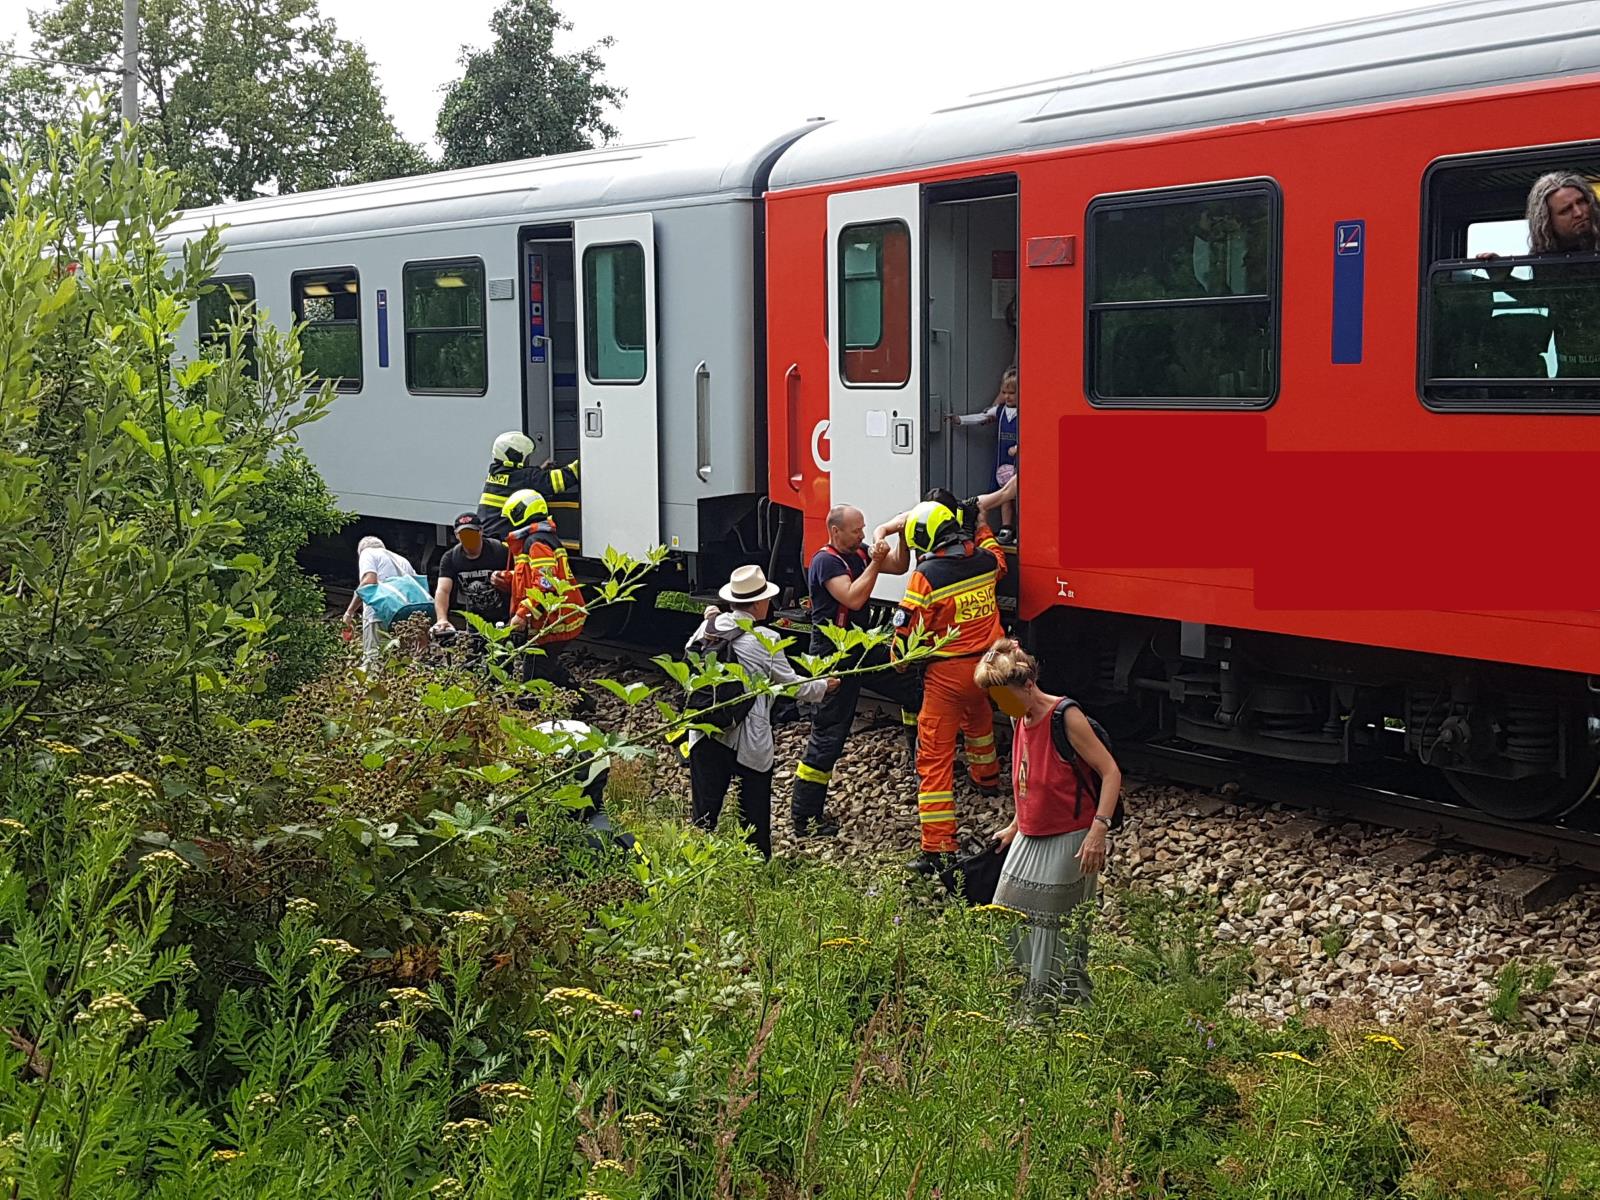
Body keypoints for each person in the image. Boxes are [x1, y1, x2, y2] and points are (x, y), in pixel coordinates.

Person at [976, 639, 1120, 1004]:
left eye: (1002, 695)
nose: (998, 705)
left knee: (1051, 927)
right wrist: (1014, 824)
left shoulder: (1064, 716)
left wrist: (1097, 832)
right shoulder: (1018, 714)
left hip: (1069, 838)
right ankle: (1020, 999)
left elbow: (1110, 772)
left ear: (1027, 684)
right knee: (1005, 915)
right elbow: (1027, 777)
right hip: (1030, 833)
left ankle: (1051, 1009)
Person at [686, 565, 837, 859]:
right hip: (745, 737)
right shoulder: (765, 638)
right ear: (757, 604)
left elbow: (689, 655)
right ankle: (756, 862)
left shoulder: (710, 627)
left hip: (705, 728)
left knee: (704, 813)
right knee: (753, 809)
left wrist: (711, 620)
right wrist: (824, 686)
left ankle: (697, 862)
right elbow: (791, 685)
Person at [891, 498, 1008, 871]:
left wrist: (898, 660)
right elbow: (998, 558)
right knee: (979, 721)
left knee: (934, 759)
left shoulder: (927, 576)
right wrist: (983, 526)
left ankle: (938, 847)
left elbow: (907, 632)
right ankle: (986, 778)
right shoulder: (986, 562)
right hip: (988, 669)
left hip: (948, 675)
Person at [791, 504, 920, 838]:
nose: (863, 535)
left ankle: (919, 756)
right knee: (830, 732)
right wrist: (875, 561)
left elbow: (900, 565)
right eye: (856, 530)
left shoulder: (859, 551)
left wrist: (901, 538)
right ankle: (805, 816)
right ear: (836, 532)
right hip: (834, 654)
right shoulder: (826, 561)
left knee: (911, 683)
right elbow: (853, 599)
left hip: (860, 646)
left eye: (864, 529)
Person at [1476, 173, 1600, 378]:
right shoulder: (1546, 257)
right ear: (1548, 220)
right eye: (1566, 210)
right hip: (1573, 373)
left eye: (1582, 202)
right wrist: (1503, 280)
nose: (1579, 212)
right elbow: (1547, 298)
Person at [502, 488, 589, 708]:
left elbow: (545, 585)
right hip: (555, 619)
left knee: (533, 675)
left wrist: (522, 615)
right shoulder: (539, 540)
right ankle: (583, 702)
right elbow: (534, 577)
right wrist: (506, 578)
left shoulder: (537, 543)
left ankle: (530, 712)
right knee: (546, 665)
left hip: (554, 622)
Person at [872, 480, 1015, 578]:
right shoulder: (915, 516)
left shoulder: (968, 508)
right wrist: (879, 542)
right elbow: (882, 529)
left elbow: (1006, 493)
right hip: (931, 576)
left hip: (965, 572)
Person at [944, 367, 1020, 542]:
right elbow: (981, 417)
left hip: (1017, 460)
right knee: (1003, 494)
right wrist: (961, 420)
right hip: (1002, 460)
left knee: (1017, 496)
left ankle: (1020, 527)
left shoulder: (1026, 412)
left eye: (1012, 393)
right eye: (1004, 392)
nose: (1008, 397)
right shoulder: (999, 411)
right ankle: (1006, 527)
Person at [476, 431, 581, 539]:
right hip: (503, 542)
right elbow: (563, 479)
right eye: (527, 457)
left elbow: (517, 481)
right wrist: (585, 458)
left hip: (487, 538)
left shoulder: (494, 475)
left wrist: (538, 471)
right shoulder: (525, 477)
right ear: (515, 456)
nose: (528, 460)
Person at [432, 512, 510, 651]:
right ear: (456, 535)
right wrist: (442, 619)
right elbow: (443, 590)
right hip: (475, 621)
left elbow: (519, 579)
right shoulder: (451, 558)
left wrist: (506, 578)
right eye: (463, 534)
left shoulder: (499, 551)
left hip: (503, 619)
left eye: (472, 533)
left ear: (481, 531)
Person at [341, 535, 417, 671]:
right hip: (405, 617)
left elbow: (369, 581)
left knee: (373, 663)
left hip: (379, 614)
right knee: (399, 664)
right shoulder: (402, 560)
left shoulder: (368, 553)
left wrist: (350, 612)